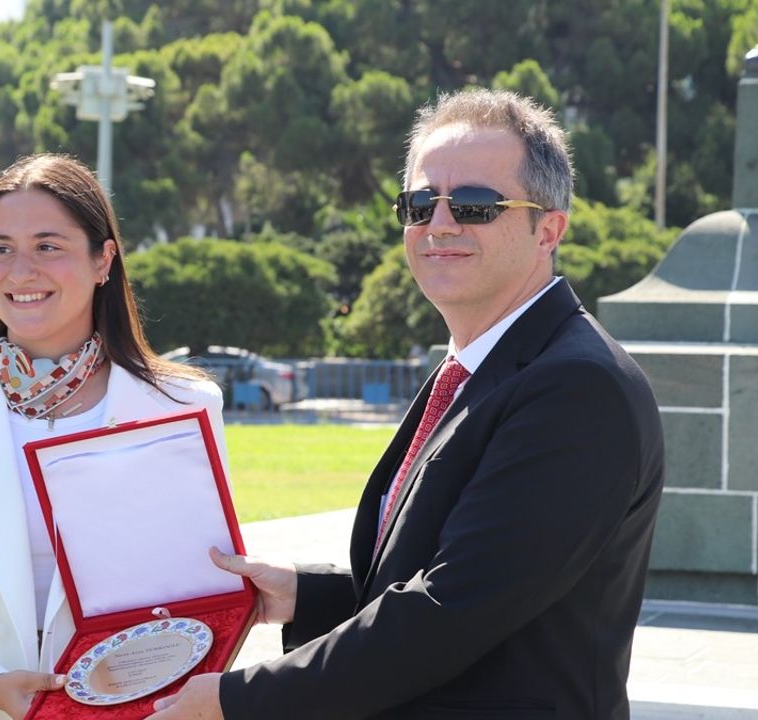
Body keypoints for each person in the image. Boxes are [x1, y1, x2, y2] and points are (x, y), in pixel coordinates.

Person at [151, 89, 665, 719]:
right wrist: (303, 595)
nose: (439, 224)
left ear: (548, 230)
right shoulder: (478, 364)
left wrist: (234, 701)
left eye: (475, 205)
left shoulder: (577, 388)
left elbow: (451, 611)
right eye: (420, 204)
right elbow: (457, 575)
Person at [0, 153, 228, 720]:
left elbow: (201, 591)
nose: (20, 271)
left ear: (104, 260)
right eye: (2, 248)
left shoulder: (183, 406)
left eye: (48, 246)